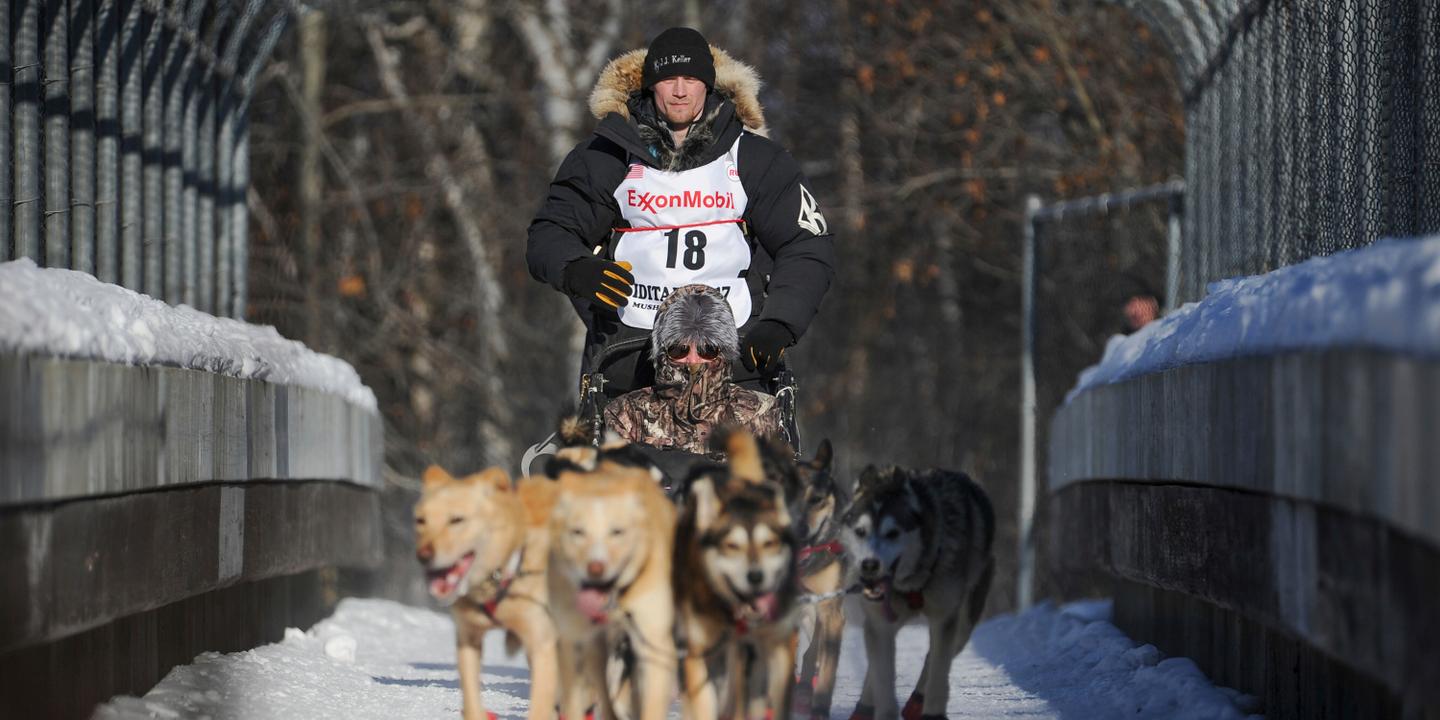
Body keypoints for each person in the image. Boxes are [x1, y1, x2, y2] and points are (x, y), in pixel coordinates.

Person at [527, 27, 835, 397]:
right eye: (667, 79)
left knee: (748, 455)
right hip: (629, 354)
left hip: (734, 355)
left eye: (690, 79)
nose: (679, 91)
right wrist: (574, 267)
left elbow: (806, 244)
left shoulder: (755, 159)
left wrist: (780, 324)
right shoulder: (607, 155)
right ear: (649, 86)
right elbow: (550, 232)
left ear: (708, 84)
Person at [604, 284, 781, 457]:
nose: (693, 361)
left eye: (708, 350)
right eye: (679, 350)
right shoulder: (626, 411)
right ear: (662, 353)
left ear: (725, 353)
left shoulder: (759, 410)